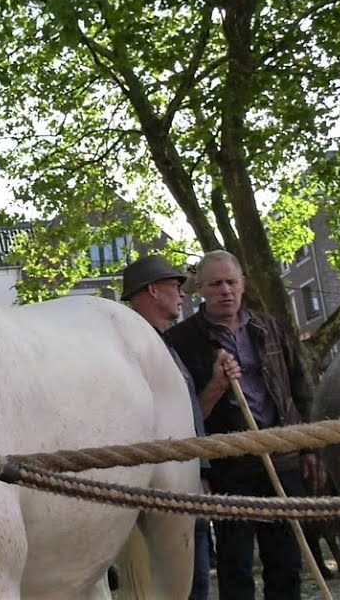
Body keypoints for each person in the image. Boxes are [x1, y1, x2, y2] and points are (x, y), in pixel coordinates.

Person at [165, 250, 324, 600]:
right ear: (201, 290)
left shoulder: (270, 328)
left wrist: (311, 448)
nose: (225, 290)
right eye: (216, 284)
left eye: (231, 282)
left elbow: (301, 388)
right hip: (228, 467)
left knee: (287, 563)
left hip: (282, 460)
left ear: (243, 284)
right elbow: (183, 419)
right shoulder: (180, 342)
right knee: (236, 567)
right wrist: (217, 386)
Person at [120, 254, 229, 600]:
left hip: (185, 477)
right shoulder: (134, 348)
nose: (183, 294)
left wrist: (202, 469)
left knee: (196, 577)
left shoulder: (163, 346)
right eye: (175, 286)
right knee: (183, 581)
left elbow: (187, 413)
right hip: (163, 483)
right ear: (153, 290)